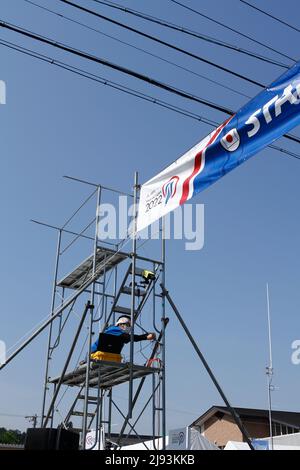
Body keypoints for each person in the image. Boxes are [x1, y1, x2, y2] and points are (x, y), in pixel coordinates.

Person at [90, 315, 156, 362]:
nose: (129, 327)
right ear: (120, 324)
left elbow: (127, 337)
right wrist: (145, 337)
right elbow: (130, 337)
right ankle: (85, 360)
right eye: (127, 325)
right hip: (94, 353)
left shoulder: (120, 335)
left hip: (108, 356)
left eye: (129, 325)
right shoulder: (113, 329)